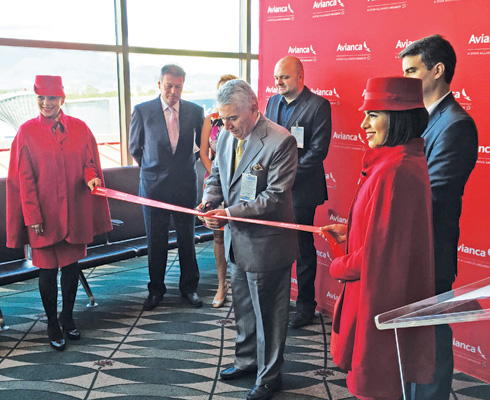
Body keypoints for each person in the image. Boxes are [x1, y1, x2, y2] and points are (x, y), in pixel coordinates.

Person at [321, 77, 436, 399]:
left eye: (373, 114)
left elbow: (378, 256)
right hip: (386, 300)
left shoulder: (394, 171)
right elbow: (389, 238)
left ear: (397, 116)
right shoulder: (401, 163)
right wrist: (351, 233)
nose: (363, 124)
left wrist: (338, 264)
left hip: (377, 303)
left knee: (377, 385)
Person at [200, 79, 298, 400]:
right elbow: (216, 175)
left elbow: (275, 197)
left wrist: (227, 213)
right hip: (236, 241)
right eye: (222, 119)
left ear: (254, 109)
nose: (226, 126)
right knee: (243, 308)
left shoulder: (280, 141)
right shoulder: (228, 136)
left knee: (269, 314)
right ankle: (246, 361)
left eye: (233, 118)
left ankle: (270, 377)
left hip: (266, 245)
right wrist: (209, 202)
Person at [6, 75, 112, 351]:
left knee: (71, 268)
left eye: (51, 98)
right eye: (41, 98)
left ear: (62, 99)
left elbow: (89, 162)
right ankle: (52, 322)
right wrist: (33, 218)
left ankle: (68, 316)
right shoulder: (27, 132)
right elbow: (23, 179)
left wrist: (92, 178)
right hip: (43, 217)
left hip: (73, 212)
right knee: (47, 272)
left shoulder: (79, 128)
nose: (45, 103)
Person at [399, 34, 479, 399]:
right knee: (412, 339)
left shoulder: (456, 124)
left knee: (431, 336)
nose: (405, 79)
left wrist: (385, 219)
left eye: (412, 71)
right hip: (408, 246)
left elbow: (435, 195)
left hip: (431, 249)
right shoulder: (419, 119)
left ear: (438, 70)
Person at [129, 64, 205, 310]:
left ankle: (189, 288)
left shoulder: (195, 111)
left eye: (179, 86)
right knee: (156, 240)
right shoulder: (142, 111)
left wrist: (182, 167)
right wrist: (154, 168)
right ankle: (156, 290)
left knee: (187, 238)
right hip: (153, 187)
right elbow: (135, 148)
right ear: (159, 84)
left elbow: (200, 148)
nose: (174, 91)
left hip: (185, 184)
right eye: (169, 85)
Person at [265, 55, 331, 329]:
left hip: (302, 190)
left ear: (301, 76)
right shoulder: (271, 102)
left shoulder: (318, 105)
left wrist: (285, 176)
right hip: (273, 190)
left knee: (303, 250)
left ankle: (306, 306)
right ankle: (275, 299)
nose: (278, 82)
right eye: (276, 77)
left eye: (284, 76)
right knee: (273, 245)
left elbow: (318, 151)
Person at [200, 74, 238, 308]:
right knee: (218, 235)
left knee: (240, 232)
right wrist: (220, 175)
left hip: (241, 185)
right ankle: (222, 285)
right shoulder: (212, 120)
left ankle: (239, 281)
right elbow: (204, 153)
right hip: (216, 182)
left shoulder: (241, 121)